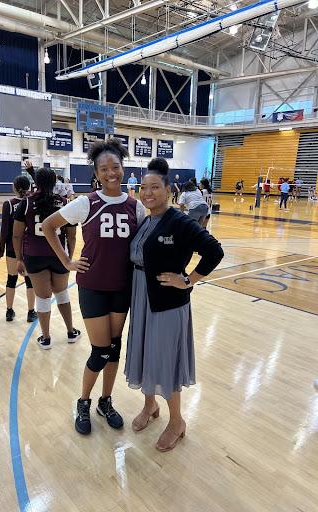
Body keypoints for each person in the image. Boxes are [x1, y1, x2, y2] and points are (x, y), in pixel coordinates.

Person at [42, 138, 145, 436]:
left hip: (121, 288)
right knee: (100, 350)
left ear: (123, 168)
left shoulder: (135, 206)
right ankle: (83, 402)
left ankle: (105, 401)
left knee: (114, 349)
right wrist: (66, 261)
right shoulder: (86, 203)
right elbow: (49, 226)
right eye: (104, 169)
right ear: (96, 173)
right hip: (93, 287)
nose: (111, 173)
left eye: (115, 167)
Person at [125, 157, 224, 452]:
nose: (148, 193)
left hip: (167, 302)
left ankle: (177, 421)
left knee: (165, 360)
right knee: (144, 353)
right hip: (142, 297)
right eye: (144, 187)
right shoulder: (145, 219)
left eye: (155, 187)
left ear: (169, 190)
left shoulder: (179, 221)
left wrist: (188, 280)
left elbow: (214, 251)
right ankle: (150, 406)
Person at [13, 168, 81, 349]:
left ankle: (46, 338)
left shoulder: (25, 203)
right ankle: (71, 331)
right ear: (55, 183)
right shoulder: (65, 202)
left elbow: (17, 236)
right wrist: (68, 258)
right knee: (62, 293)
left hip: (34, 256)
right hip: (59, 256)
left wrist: (19, 259)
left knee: (42, 298)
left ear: (35, 181)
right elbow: (72, 235)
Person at [0, 175, 37, 323]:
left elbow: (4, 229)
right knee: (29, 281)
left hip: (11, 248)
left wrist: (1, 248)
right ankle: (30, 312)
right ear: (28, 187)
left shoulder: (8, 204)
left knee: (11, 279)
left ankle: (9, 311)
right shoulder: (31, 203)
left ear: (14, 187)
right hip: (28, 247)